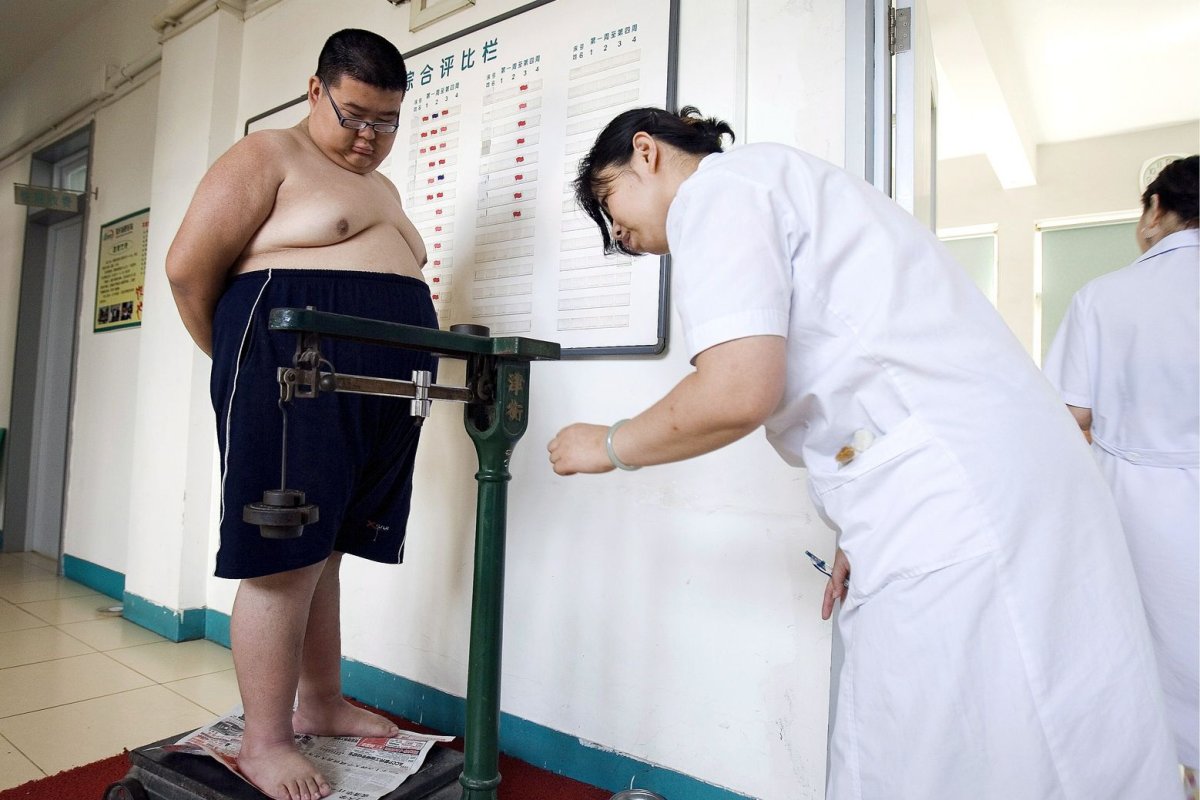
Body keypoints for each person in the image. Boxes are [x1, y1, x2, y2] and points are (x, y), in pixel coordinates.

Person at [547, 106, 1181, 799]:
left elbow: (736, 391)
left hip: (952, 499)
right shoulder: (785, 181)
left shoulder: (717, 192)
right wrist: (862, 515)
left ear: (646, 152)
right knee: (1044, 732)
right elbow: (872, 370)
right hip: (981, 481)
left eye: (608, 204)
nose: (618, 235)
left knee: (931, 747)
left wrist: (607, 444)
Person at [167, 29, 436, 800]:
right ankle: (265, 741)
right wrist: (244, 360)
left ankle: (321, 701)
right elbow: (187, 270)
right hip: (291, 371)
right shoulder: (268, 156)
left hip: (378, 382)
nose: (368, 137)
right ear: (316, 91)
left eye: (386, 122)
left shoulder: (382, 188)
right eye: (354, 116)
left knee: (330, 547)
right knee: (281, 556)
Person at [1044, 155, 1199, 799]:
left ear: (1156, 210)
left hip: (1140, 519)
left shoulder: (1104, 297)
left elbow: (1065, 417)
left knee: (1153, 684)